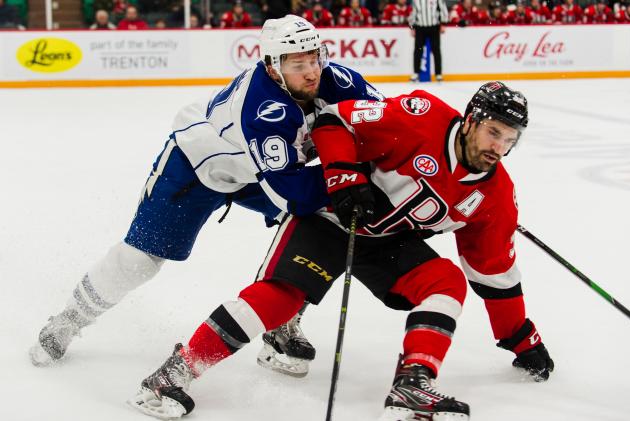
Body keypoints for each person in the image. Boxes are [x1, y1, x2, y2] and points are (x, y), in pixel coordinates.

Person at [129, 82, 554, 420]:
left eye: (509, 139)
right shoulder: (419, 116)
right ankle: (173, 374)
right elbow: (335, 120)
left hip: (387, 243)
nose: (498, 146)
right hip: (331, 217)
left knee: (446, 282)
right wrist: (344, 178)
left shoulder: (496, 196)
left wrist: (520, 338)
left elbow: (494, 272)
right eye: (493, 132)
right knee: (281, 297)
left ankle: (412, 384)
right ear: (470, 121)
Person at [29, 15, 383, 379]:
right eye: (298, 64)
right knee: (140, 259)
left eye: (315, 58)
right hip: (197, 169)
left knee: (318, 230)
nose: (312, 72)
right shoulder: (263, 110)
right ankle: (68, 320)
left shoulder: (335, 79)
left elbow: (387, 121)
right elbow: (291, 193)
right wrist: (346, 184)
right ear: (273, 68)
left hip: (259, 171)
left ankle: (282, 322)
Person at [410, 0, 449, 82]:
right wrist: (412, 27)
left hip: (434, 27)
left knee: (436, 50)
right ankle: (416, 73)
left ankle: (438, 74)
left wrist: (443, 23)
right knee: (418, 50)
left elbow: (443, 9)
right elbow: (413, 13)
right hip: (420, 27)